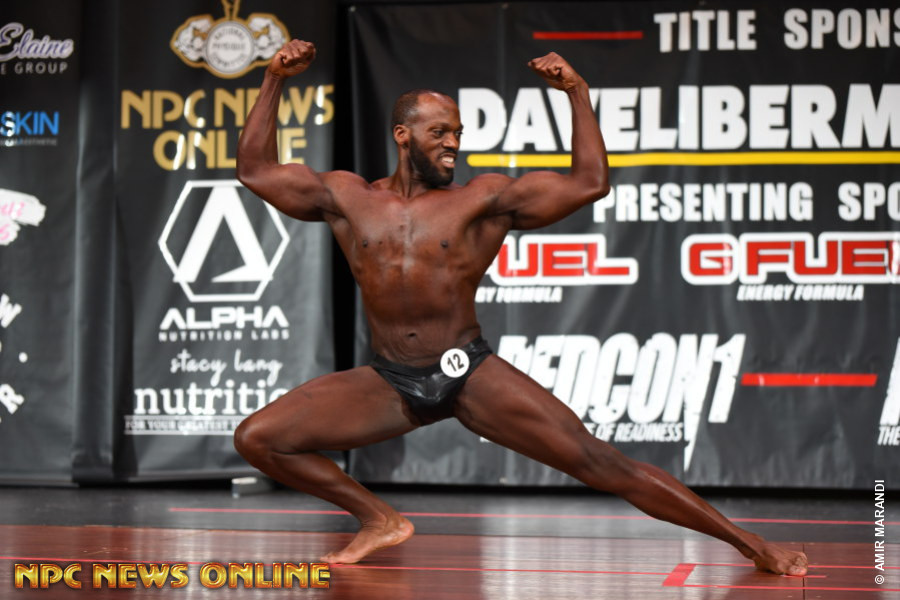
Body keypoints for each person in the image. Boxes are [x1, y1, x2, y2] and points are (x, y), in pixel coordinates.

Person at [233, 39, 808, 576]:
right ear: (402, 135)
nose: (453, 143)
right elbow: (255, 170)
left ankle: (752, 544)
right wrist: (274, 78)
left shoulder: (482, 200)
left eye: (457, 133)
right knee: (258, 438)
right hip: (390, 380)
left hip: (468, 374)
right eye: (439, 132)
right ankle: (379, 519)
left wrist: (576, 93)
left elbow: (589, 182)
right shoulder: (346, 196)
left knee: (601, 463)